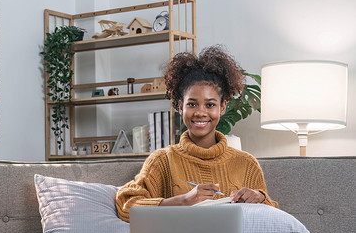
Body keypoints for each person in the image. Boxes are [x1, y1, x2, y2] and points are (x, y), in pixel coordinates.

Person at [116, 45, 278, 222]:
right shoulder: (162, 161)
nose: (200, 113)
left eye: (210, 105)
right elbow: (127, 205)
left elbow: (273, 220)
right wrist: (184, 201)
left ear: (222, 107)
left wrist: (259, 196)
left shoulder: (246, 163)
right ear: (179, 106)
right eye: (192, 104)